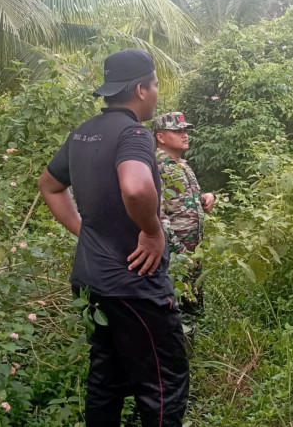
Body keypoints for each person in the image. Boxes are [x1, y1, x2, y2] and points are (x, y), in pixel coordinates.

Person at [37, 48, 188, 427]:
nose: (156, 92)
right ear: (140, 89)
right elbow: (136, 188)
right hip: (135, 286)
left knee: (107, 377)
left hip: (93, 281)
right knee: (162, 384)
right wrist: (152, 232)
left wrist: (85, 231)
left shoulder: (83, 133)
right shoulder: (134, 134)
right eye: (154, 85)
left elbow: (50, 186)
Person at [152, 111, 216, 320]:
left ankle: (193, 348)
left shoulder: (181, 164)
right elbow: (158, 215)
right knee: (176, 310)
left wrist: (205, 197)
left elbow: (185, 200)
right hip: (176, 256)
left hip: (191, 253)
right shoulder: (158, 166)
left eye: (185, 130)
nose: (185, 134)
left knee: (192, 306)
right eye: (178, 131)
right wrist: (179, 253)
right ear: (160, 137)